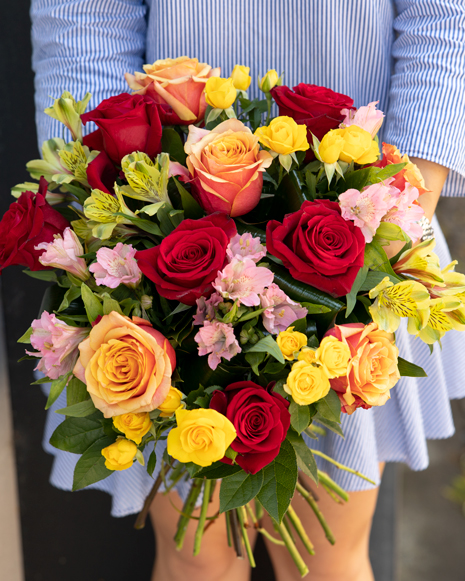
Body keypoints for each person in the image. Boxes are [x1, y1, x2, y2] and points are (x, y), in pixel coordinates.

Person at [30, 1, 465, 580]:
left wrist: (395, 215)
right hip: (157, 236)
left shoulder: (379, 224)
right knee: (197, 560)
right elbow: (84, 15)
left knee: (326, 560)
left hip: (365, 217)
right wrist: (111, 188)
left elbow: (445, 16)